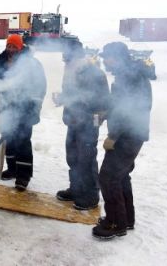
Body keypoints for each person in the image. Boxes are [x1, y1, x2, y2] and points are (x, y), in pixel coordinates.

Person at [92, 41, 152, 240]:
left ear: (117, 57)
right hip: (130, 132)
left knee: (108, 177)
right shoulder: (127, 74)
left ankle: (115, 223)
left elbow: (130, 111)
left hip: (128, 134)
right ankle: (126, 219)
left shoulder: (130, 77)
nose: (104, 61)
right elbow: (119, 105)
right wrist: (106, 113)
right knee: (121, 176)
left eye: (107, 57)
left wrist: (114, 135)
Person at [53, 40, 110, 210]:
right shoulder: (70, 69)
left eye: (67, 55)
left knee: (86, 160)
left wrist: (94, 125)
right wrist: (62, 98)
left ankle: (91, 196)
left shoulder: (95, 73)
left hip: (88, 124)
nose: (65, 58)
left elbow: (103, 103)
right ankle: (76, 189)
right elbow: (71, 94)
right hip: (73, 122)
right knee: (73, 158)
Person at [0, 34, 46, 191]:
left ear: (20, 47)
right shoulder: (0, 61)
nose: (10, 50)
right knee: (8, 139)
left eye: (14, 47)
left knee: (23, 142)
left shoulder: (32, 64)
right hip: (6, 108)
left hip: (26, 109)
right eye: (9, 46)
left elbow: (40, 86)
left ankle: (23, 175)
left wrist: (35, 108)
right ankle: (12, 169)